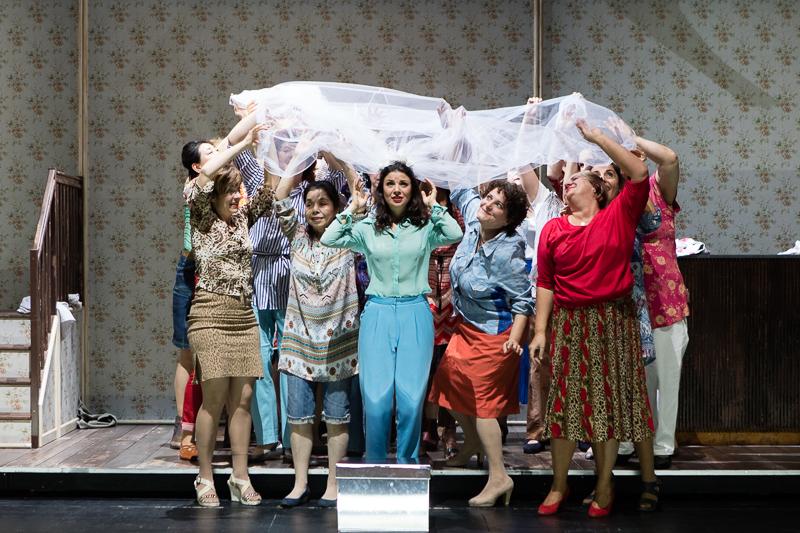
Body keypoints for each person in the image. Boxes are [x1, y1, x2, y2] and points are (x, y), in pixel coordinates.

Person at [531, 118, 653, 518]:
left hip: (612, 320)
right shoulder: (553, 229)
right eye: (568, 180)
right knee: (564, 405)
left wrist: (598, 138)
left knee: (607, 405)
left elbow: (639, 173)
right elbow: (545, 282)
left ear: (597, 190)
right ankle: (559, 484)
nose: (568, 182)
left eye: (578, 179)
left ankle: (604, 485)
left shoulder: (618, 215)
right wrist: (540, 330)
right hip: (569, 322)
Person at [321, 161, 463, 460]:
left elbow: (454, 233)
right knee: (376, 401)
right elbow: (329, 238)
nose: (397, 189)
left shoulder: (425, 226)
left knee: (411, 401)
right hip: (378, 313)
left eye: (403, 184)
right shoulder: (367, 228)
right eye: (390, 184)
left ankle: (407, 464)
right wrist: (352, 208)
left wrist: (433, 204)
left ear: (413, 190)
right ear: (381, 190)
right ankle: (375, 464)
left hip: (415, 312)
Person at [428, 179, 533, 507]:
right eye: (488, 198)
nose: (487, 204)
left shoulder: (508, 250)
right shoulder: (476, 218)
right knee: (447, 386)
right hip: (466, 327)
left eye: (498, 204)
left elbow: (523, 301)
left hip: (495, 334)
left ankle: (499, 477)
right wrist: (451, 150)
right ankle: (472, 442)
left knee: (485, 406)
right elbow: (461, 188)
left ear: (509, 219)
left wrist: (514, 340)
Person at [187, 123, 273, 507]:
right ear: (216, 195)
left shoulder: (242, 218)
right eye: (232, 191)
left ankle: (240, 476)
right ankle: (205, 476)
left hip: (243, 314)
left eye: (240, 190)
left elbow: (272, 191)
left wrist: (270, 147)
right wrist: (243, 142)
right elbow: (205, 174)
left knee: (244, 398)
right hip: (209, 311)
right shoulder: (201, 214)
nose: (239, 196)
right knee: (215, 397)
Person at [273, 158, 363, 508]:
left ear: (336, 208)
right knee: (299, 417)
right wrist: (302, 154)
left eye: (323, 203)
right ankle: (300, 484)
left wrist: (335, 154)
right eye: (310, 204)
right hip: (299, 341)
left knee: (337, 418)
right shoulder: (297, 237)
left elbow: (360, 193)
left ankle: (334, 484)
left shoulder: (347, 234)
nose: (315, 210)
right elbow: (280, 195)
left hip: (339, 341)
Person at [634, 134, 690, 470]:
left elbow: (669, 158)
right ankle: (636, 441)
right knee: (640, 380)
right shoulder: (616, 197)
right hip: (631, 301)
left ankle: (664, 444)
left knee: (668, 378)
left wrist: (629, 136)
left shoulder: (657, 190)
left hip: (666, 299)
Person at [422, 188, 462, 458]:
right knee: (425, 371)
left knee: (449, 371)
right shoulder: (416, 216)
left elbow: (461, 238)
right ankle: (427, 426)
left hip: (452, 302)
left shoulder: (457, 217)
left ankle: (449, 429)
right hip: (424, 298)